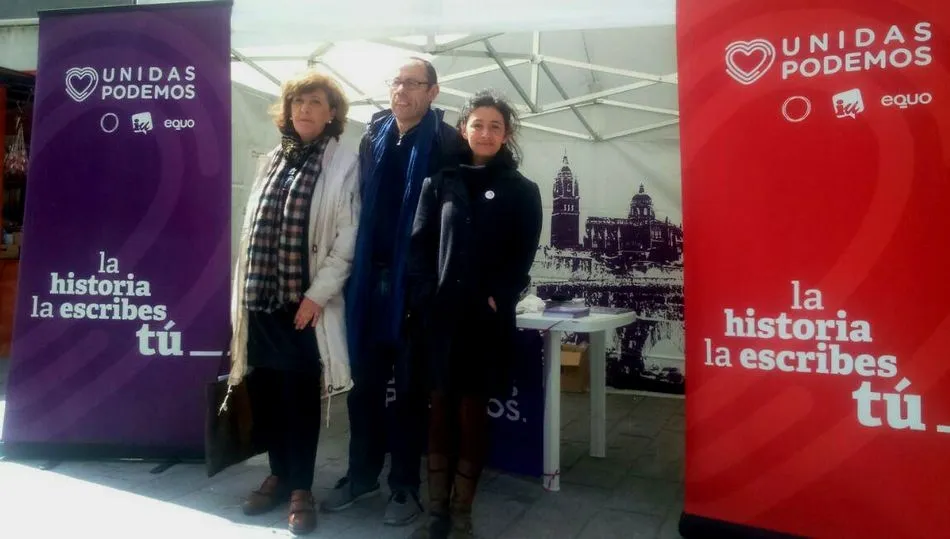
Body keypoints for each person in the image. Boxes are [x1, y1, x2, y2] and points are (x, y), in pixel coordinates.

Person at [319, 58, 462, 526]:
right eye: (396, 82)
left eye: (412, 84)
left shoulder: (446, 142)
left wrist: (433, 285)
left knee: (409, 392)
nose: (401, 91)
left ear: (433, 93)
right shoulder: (373, 136)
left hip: (413, 288)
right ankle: (361, 476)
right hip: (368, 284)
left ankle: (404, 486)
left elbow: (454, 220)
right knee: (364, 391)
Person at [227, 70, 359, 536]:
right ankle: (279, 474)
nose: (304, 109)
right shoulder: (270, 161)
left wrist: (316, 295)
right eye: (297, 101)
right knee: (265, 394)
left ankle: (301, 487)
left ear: (332, 114)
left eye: (315, 102)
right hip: (260, 298)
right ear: (286, 110)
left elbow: (347, 239)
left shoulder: (342, 164)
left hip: (304, 304)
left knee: (299, 397)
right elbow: (251, 230)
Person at [407, 90, 542, 539]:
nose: (485, 133)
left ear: (506, 135)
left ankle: (462, 512)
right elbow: (420, 247)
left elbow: (522, 256)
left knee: (472, 413)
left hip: (484, 323)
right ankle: (434, 512)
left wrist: (499, 296)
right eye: (478, 124)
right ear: (464, 129)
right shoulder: (439, 182)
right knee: (439, 409)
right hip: (442, 320)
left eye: (495, 127)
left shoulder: (522, 191)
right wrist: (427, 293)